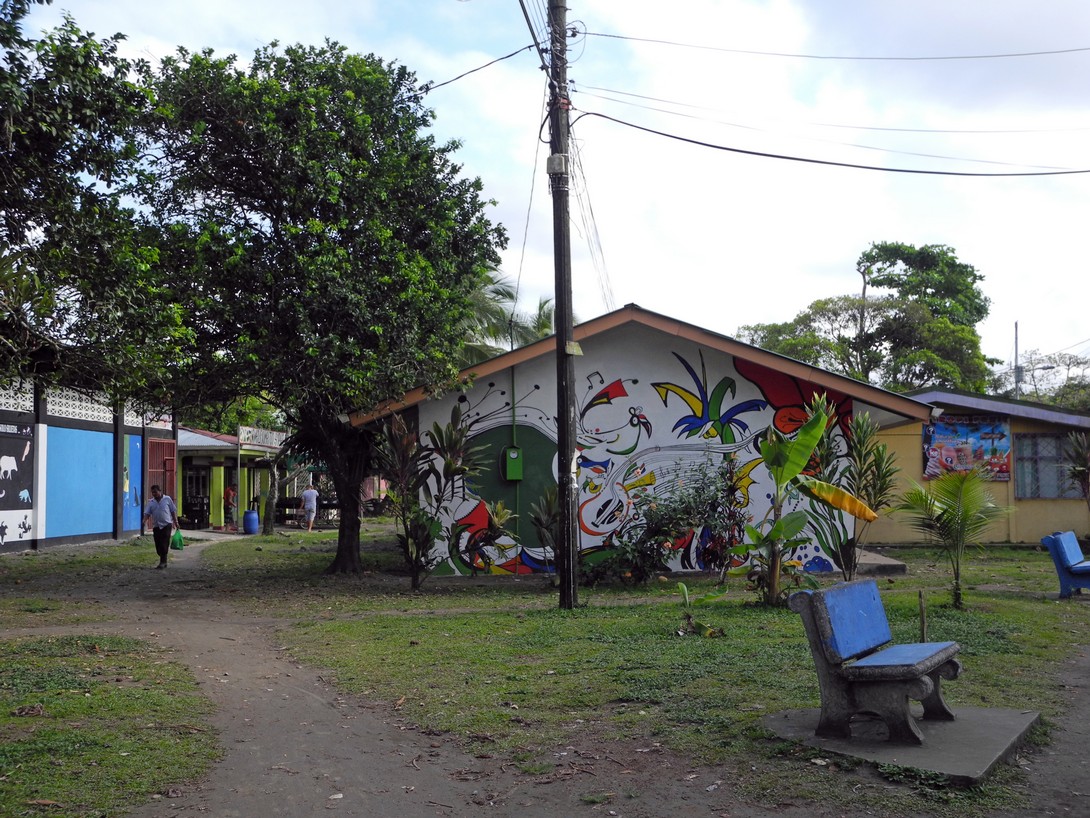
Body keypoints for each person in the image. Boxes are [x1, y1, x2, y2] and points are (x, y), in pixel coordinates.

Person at [143, 484, 179, 569]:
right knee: (158, 544)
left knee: (164, 543)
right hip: (156, 526)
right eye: (152, 492)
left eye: (155, 492)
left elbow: (173, 511)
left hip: (167, 525)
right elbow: (147, 513)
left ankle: (163, 562)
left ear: (160, 491)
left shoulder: (167, 499)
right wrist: (144, 521)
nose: (154, 494)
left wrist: (176, 522)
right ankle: (162, 557)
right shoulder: (151, 502)